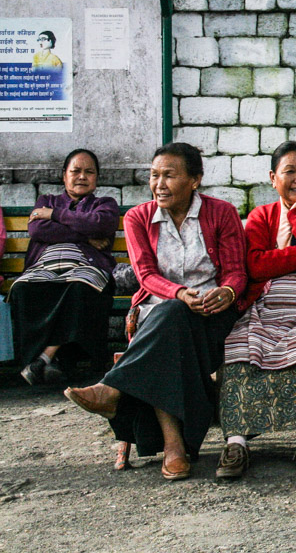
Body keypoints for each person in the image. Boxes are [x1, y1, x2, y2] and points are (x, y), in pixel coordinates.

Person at [63, 142, 247, 481]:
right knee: (170, 317)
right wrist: (178, 293)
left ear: (195, 180)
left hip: (211, 316)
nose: (159, 184)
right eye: (154, 175)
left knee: (170, 322)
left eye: (169, 176)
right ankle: (174, 445)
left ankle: (115, 389)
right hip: (161, 313)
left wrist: (227, 291)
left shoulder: (222, 213)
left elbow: (237, 271)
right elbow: (145, 275)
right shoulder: (138, 217)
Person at [215, 141, 296, 480]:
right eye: (290, 171)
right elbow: (255, 266)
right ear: (274, 178)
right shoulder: (262, 216)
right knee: (240, 347)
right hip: (266, 304)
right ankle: (236, 442)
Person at [8, 149, 119, 384]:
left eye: (89, 172)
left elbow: (101, 224)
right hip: (44, 265)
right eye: (75, 171)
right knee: (23, 288)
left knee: (79, 288)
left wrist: (55, 216)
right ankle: (47, 360)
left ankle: (44, 358)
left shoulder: (105, 204)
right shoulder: (46, 201)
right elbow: (38, 229)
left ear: (96, 178)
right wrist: (86, 237)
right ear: (64, 176)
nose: (82, 176)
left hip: (85, 266)